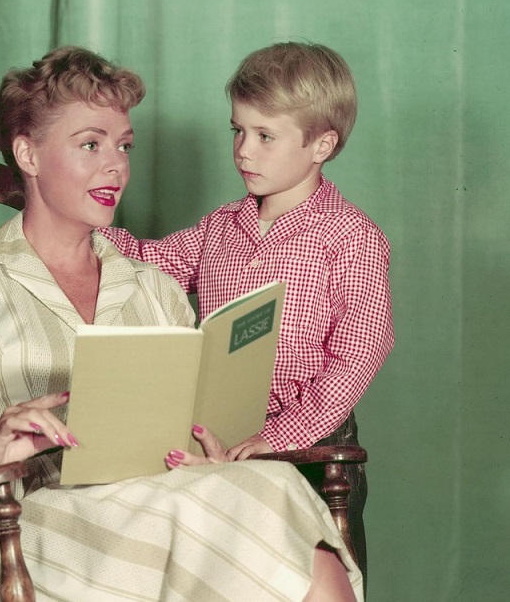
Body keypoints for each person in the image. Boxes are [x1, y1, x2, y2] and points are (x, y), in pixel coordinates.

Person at [0, 46, 363, 601]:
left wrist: (205, 445)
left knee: (267, 485)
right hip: (12, 522)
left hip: (157, 510)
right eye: (91, 144)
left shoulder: (154, 288)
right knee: (241, 515)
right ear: (28, 155)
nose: (117, 166)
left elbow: (189, 448)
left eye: (124, 146)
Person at [103, 42, 395, 581]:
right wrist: (77, 217)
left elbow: (359, 352)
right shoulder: (221, 226)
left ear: (321, 145)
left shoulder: (350, 236)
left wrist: (283, 437)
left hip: (314, 450)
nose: (244, 151)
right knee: (231, 577)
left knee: (313, 577)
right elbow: (149, 261)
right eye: (237, 131)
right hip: (222, 441)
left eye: (265, 136)